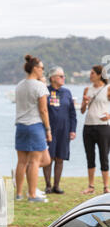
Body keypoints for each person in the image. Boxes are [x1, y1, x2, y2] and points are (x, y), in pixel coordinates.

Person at [15, 54, 52, 202]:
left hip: (20, 126)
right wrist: (48, 130)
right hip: (35, 125)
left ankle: (18, 194)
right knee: (35, 162)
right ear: (35, 68)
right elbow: (43, 110)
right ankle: (32, 195)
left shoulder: (19, 85)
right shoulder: (40, 86)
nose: (43, 70)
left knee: (22, 162)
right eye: (42, 68)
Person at [43, 66, 77, 194]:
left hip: (64, 131)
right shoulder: (45, 91)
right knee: (48, 158)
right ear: (52, 78)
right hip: (50, 131)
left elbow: (72, 113)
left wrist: (73, 130)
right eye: (61, 76)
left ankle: (56, 186)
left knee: (60, 158)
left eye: (64, 76)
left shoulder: (67, 92)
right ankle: (48, 185)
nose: (63, 78)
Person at [81, 65, 110, 194]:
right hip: (88, 126)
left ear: (99, 75)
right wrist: (84, 102)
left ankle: (106, 187)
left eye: (92, 73)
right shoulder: (87, 89)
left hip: (103, 127)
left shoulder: (108, 89)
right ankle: (91, 186)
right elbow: (82, 111)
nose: (90, 75)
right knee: (90, 156)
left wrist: (109, 115)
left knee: (104, 156)